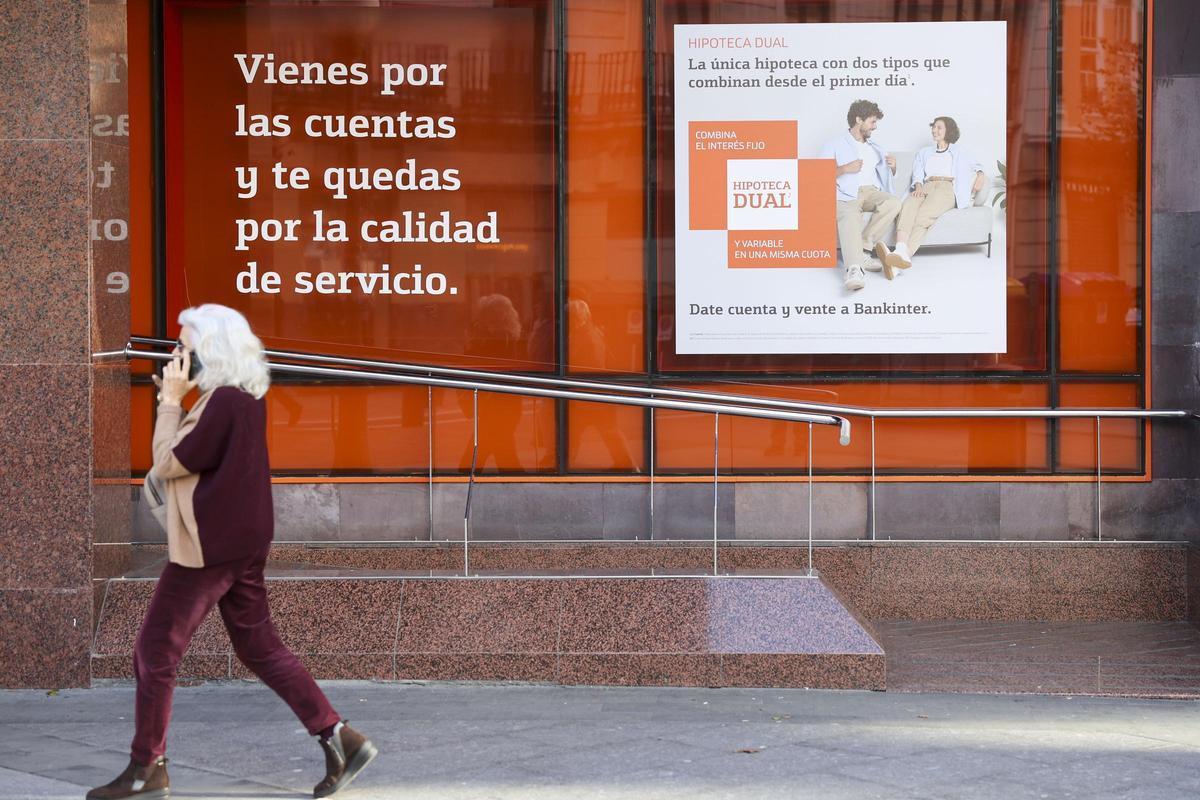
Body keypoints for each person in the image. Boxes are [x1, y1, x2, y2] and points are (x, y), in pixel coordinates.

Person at [88, 304, 377, 800]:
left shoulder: (222, 402)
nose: (176, 357)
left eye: (184, 347)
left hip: (211, 549)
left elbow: (168, 462)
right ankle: (339, 738)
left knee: (155, 651)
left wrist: (169, 403)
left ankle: (146, 769)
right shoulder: (241, 397)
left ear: (211, 351)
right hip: (240, 542)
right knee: (259, 647)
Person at [875, 115, 987, 279]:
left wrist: (981, 175)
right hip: (925, 185)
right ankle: (900, 251)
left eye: (939, 127)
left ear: (948, 131)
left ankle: (897, 261)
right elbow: (918, 172)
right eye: (933, 127)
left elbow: (977, 166)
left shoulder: (959, 151)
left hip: (946, 188)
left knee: (922, 217)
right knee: (908, 206)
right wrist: (918, 185)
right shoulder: (924, 152)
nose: (934, 130)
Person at [821, 99, 900, 291]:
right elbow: (818, 175)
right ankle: (854, 269)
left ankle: (864, 249)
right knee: (849, 215)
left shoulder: (875, 147)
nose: (874, 126)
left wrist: (893, 167)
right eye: (872, 122)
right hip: (847, 193)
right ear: (858, 120)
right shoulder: (835, 144)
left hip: (872, 191)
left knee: (894, 203)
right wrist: (844, 169)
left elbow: (885, 175)